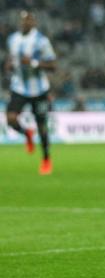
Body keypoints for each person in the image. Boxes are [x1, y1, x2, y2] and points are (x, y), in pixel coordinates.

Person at [4, 11, 56, 175]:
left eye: (30, 20)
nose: (26, 23)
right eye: (24, 20)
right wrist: (9, 66)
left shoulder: (42, 41)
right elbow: (11, 59)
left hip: (39, 90)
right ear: (20, 22)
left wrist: (33, 63)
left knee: (42, 127)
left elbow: (53, 66)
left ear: (34, 22)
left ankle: (46, 159)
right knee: (11, 119)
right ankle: (27, 134)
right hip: (19, 87)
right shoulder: (12, 39)